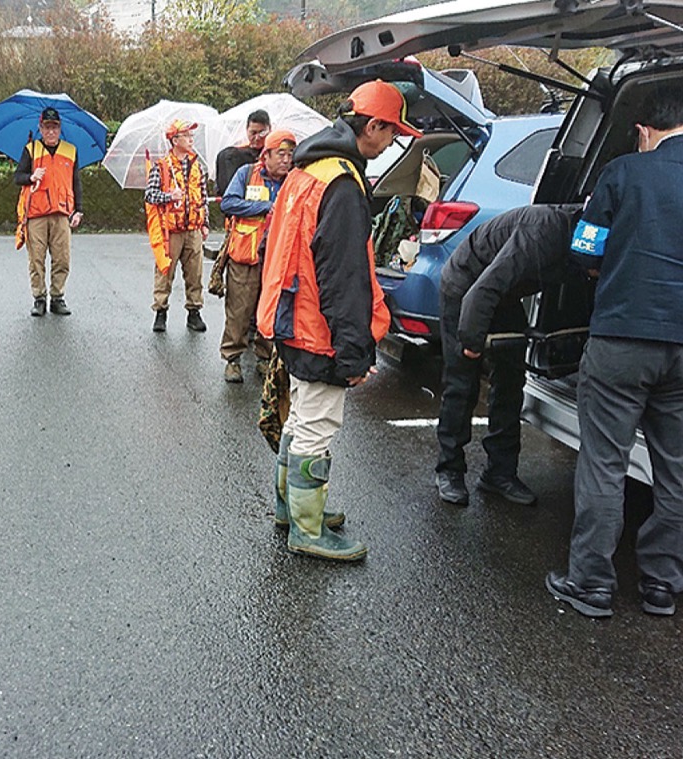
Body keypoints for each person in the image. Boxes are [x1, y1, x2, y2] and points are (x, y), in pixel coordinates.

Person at [257, 80, 420, 561]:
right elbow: (345, 277)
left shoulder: (306, 171)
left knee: (301, 416)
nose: (391, 143)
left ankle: (291, 508)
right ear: (372, 126)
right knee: (316, 425)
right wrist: (354, 352)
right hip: (317, 329)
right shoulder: (343, 185)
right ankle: (307, 530)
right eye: (390, 133)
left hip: (288, 318)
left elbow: (272, 248)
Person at [547, 88, 683, 618]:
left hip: (622, 338)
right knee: (675, 467)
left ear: (645, 130)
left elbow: (584, 246)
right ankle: (661, 584)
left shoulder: (625, 171)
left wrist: (607, 269)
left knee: (605, 460)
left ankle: (591, 583)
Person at [434, 204, 584, 506]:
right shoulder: (543, 232)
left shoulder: (585, 240)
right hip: (466, 287)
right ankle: (449, 470)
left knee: (511, 380)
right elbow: (482, 291)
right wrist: (472, 343)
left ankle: (499, 473)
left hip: (505, 295)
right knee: (462, 383)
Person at [217, 129, 295, 384]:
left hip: (277, 258)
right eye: (280, 154)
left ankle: (264, 357)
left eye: (290, 154)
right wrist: (263, 207)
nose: (286, 159)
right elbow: (228, 203)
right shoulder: (247, 174)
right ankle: (233, 359)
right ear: (267, 155)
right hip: (245, 255)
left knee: (269, 309)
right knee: (239, 310)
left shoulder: (293, 181)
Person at [15, 107, 83, 317]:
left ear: (60, 128)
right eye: (47, 127)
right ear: (40, 127)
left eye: (54, 127)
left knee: (62, 258)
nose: (51, 131)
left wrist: (78, 210)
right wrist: (31, 176)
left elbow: (76, 182)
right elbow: (17, 177)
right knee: (36, 258)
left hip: (62, 213)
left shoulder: (70, 151)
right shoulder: (31, 149)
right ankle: (39, 298)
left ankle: (57, 297)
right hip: (36, 213)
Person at [145, 119, 209, 333]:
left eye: (192, 136)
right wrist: (168, 196)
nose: (191, 140)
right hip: (170, 230)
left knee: (195, 273)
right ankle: (160, 312)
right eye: (186, 136)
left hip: (193, 229)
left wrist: (205, 223)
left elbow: (203, 195)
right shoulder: (162, 166)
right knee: (165, 272)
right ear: (174, 140)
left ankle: (194, 312)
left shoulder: (197, 165)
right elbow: (150, 195)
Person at [214, 109, 271, 198]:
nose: (257, 138)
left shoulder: (276, 154)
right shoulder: (234, 154)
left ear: (269, 130)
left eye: (262, 133)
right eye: (253, 133)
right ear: (247, 130)